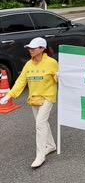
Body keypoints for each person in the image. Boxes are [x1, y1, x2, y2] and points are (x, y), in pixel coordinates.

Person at [0, 37, 58, 168]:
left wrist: (58, 76)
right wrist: (9, 95)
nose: (30, 50)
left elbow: (57, 78)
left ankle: (40, 155)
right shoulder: (29, 64)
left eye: (33, 48)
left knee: (40, 124)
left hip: (47, 97)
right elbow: (21, 81)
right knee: (42, 123)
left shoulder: (51, 62)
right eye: (29, 48)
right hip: (34, 98)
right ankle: (51, 145)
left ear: (42, 49)